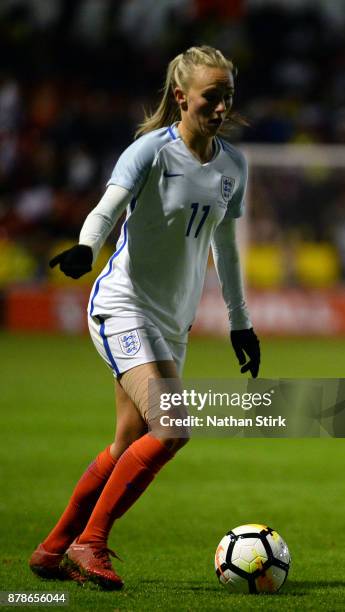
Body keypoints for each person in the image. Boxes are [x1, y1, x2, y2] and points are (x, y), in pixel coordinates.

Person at [29, 45, 260, 590]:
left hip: (171, 321)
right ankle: (92, 543)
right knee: (174, 427)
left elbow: (225, 247)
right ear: (181, 96)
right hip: (122, 304)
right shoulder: (151, 151)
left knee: (127, 441)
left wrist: (240, 321)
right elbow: (107, 208)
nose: (222, 107)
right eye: (212, 96)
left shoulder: (233, 165)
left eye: (228, 96)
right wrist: (88, 246)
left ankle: (51, 549)